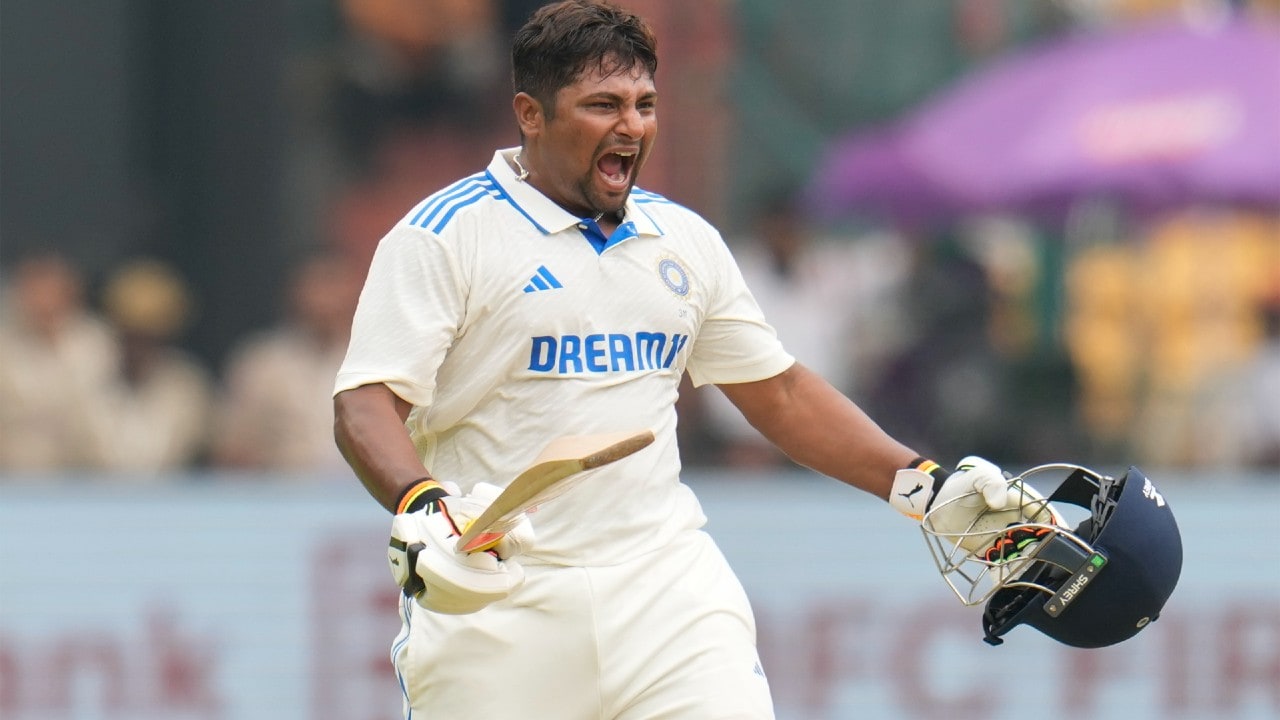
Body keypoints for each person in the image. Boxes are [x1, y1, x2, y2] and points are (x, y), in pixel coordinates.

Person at [332, 3, 1031, 718]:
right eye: (602, 105)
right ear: (530, 114)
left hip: (666, 598)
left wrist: (927, 490)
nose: (631, 126)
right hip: (496, 603)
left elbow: (781, 394)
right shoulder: (444, 236)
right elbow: (365, 401)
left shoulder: (682, 238)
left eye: (644, 104)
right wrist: (421, 503)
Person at [213, 251, 362, 473]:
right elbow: (233, 448)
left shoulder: (378, 361)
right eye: (315, 285)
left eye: (333, 283)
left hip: (361, 488)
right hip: (280, 486)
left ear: (356, 291)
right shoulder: (261, 362)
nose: (325, 298)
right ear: (295, 292)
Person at [90, 258, 214, 475]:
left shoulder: (189, 388)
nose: (139, 348)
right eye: (131, 336)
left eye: (148, 337)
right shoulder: (89, 384)